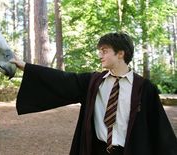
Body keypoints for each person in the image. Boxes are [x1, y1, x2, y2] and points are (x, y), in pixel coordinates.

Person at [10, 32, 177, 155]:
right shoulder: (93, 82)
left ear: (120, 54)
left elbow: (160, 129)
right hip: (97, 150)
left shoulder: (145, 88)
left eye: (104, 51)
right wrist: (26, 66)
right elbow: (61, 79)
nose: (100, 55)